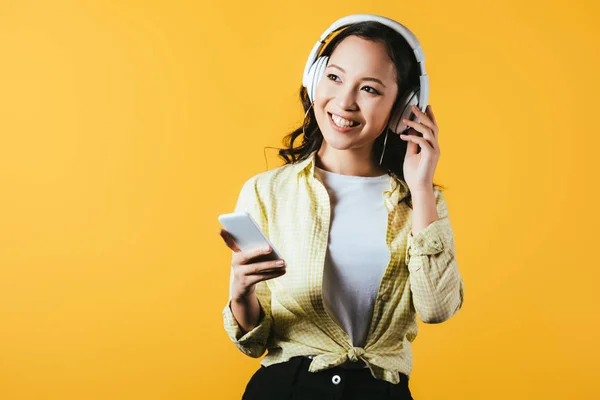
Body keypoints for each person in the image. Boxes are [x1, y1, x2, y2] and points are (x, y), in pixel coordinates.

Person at [218, 14, 465, 400]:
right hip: (286, 389)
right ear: (315, 80)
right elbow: (254, 342)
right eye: (334, 78)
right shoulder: (267, 193)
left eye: (369, 88)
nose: (345, 102)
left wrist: (420, 188)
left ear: (403, 107)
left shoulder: (419, 202)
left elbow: (437, 308)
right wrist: (240, 292)